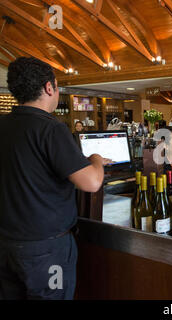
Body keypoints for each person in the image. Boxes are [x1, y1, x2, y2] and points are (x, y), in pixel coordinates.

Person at [0, 57, 110, 300]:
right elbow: (91, 182)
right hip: (46, 251)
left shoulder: (3, 124)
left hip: (6, 245)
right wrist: (95, 158)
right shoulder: (50, 128)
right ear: (49, 87)